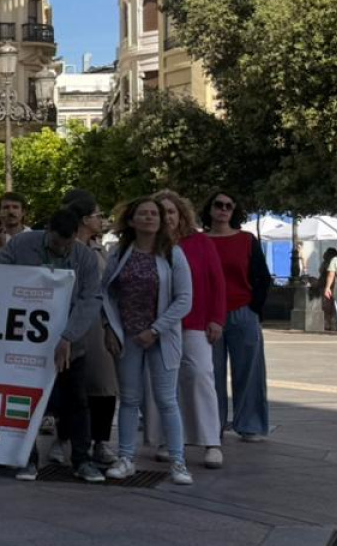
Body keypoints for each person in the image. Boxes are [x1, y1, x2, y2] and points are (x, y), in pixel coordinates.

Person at [0, 201, 108, 484]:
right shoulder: (22, 244)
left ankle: (82, 460)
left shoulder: (84, 256)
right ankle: (27, 459)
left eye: (67, 245)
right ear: (47, 231)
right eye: (56, 244)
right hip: (27, 341)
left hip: (70, 342)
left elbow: (91, 299)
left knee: (77, 402)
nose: (61, 250)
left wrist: (69, 336)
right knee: (25, 401)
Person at [103, 195, 194, 486]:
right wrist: (109, 326)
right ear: (131, 220)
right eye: (143, 214)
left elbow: (184, 300)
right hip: (127, 335)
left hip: (161, 337)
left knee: (167, 400)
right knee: (129, 399)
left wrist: (155, 329)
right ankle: (126, 457)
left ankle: (178, 462)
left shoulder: (173, 254)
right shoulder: (119, 253)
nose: (150, 218)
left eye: (154, 214)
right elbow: (105, 292)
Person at [148, 192, 225, 470]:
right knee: (163, 383)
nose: (167, 217)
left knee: (200, 375)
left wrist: (216, 318)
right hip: (158, 326)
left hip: (194, 323)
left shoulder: (200, 242)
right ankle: (169, 441)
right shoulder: (148, 245)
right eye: (161, 212)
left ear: (181, 214)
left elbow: (217, 282)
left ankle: (210, 441)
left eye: (171, 212)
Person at [203, 191, 271, 442]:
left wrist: (254, 308)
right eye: (218, 205)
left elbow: (262, 276)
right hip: (208, 315)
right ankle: (212, 424)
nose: (223, 210)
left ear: (234, 211)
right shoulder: (200, 241)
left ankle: (250, 424)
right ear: (209, 209)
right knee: (210, 372)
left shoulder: (246, 240)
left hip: (243, 311)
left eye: (228, 206)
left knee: (250, 371)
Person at [70, 194, 121, 467]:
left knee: (104, 385)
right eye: (97, 215)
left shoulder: (100, 249)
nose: (101, 220)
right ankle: (68, 439)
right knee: (74, 387)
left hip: (100, 324)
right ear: (83, 220)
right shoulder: (68, 250)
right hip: (73, 324)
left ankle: (100, 441)